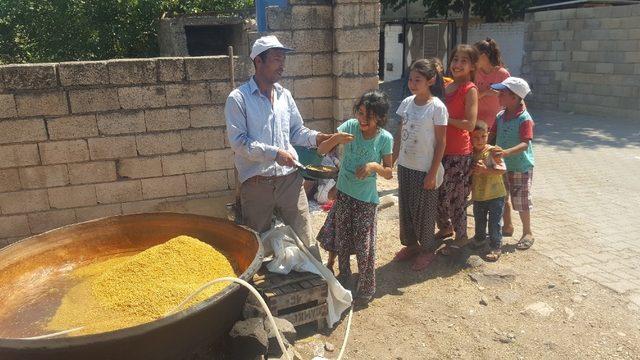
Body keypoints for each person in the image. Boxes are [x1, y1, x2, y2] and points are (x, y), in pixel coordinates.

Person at [225, 36, 348, 259]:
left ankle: (317, 286)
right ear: (258, 62)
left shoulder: (284, 95)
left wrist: (319, 138)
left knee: (305, 238)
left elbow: (296, 132)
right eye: (276, 59)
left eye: (283, 60)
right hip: (256, 184)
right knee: (256, 244)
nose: (282, 65)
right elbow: (239, 142)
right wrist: (275, 154)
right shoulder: (238, 99)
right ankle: (257, 292)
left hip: (290, 181)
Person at [316, 90, 394, 306]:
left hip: (366, 201)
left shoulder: (385, 138)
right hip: (343, 194)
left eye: (367, 116)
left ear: (379, 117)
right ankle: (344, 279)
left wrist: (373, 166)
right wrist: (335, 139)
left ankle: (367, 287)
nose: (361, 120)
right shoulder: (349, 127)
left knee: (364, 245)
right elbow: (321, 150)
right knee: (341, 239)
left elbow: (389, 172)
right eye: (359, 113)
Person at [391, 59, 448, 271]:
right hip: (406, 166)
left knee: (424, 211)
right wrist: (392, 160)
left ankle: (427, 250)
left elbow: (442, 142)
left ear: (431, 80)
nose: (413, 84)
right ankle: (412, 246)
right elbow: (399, 134)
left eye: (418, 80)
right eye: (411, 79)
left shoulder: (437, 107)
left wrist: (433, 173)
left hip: (425, 169)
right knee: (406, 209)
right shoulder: (406, 103)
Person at [437, 45, 479, 255]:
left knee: (457, 196)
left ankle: (461, 236)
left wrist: (444, 119)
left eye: (464, 61)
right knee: (438, 193)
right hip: (439, 149)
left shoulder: (469, 89)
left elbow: (470, 124)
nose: (457, 64)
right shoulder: (445, 87)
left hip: (458, 152)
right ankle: (445, 228)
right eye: (455, 59)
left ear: (472, 66)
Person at [489, 77, 536, 250]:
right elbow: (492, 134)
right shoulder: (501, 115)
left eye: (503, 93)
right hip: (502, 165)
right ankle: (507, 226)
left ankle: (527, 232)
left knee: (521, 200)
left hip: (519, 167)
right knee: (502, 197)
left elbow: (525, 143)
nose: (499, 96)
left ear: (515, 98)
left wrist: (506, 152)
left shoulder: (524, 119)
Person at [469, 121, 507, 261]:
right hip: (479, 195)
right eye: (476, 138)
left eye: (483, 137)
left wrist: (486, 170)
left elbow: (502, 169)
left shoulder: (493, 151)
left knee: (494, 222)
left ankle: (495, 246)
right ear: (470, 137)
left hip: (495, 194)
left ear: (488, 135)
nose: (480, 141)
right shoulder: (470, 153)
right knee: (479, 219)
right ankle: (479, 239)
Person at [474, 38, 511, 130]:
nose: (472, 59)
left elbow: (511, 97)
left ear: (484, 55)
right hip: (475, 124)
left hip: (496, 125)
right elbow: (469, 97)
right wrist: (486, 92)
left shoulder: (503, 74)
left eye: (474, 56)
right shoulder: (474, 73)